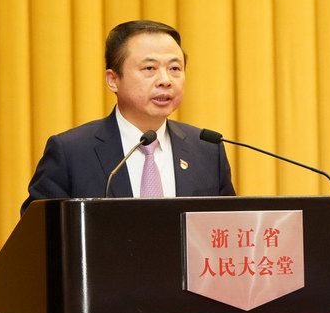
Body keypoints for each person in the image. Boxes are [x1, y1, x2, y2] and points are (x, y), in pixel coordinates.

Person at [21, 20, 236, 214]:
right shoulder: (71, 152)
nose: (165, 80)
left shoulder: (207, 150)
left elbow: (228, 230)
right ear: (113, 80)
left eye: (175, 68)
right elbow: (38, 234)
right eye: (149, 68)